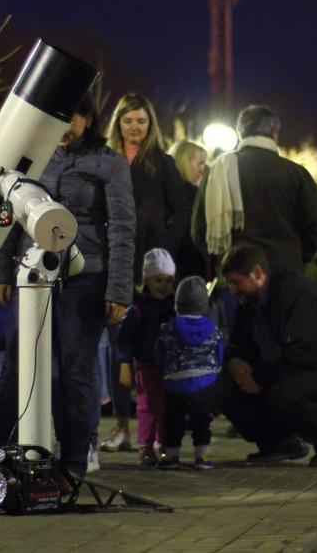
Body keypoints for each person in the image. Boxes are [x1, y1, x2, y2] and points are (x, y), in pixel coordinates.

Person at [0, 93, 136, 480]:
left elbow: (122, 229)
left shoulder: (109, 162)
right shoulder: (33, 155)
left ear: (88, 118)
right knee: (15, 368)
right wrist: (1, 271)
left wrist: (118, 290)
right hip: (32, 274)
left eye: (73, 118)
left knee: (75, 372)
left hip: (85, 278)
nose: (65, 127)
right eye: (59, 118)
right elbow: (11, 214)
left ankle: (72, 467)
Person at [216, 245, 317, 467]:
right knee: (222, 386)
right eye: (229, 283)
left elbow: (308, 350)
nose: (232, 291)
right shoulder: (249, 300)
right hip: (287, 365)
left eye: (236, 282)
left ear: (257, 273)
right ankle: (279, 443)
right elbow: (238, 339)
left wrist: (259, 377)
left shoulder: (294, 292)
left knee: (285, 394)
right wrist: (235, 361)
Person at [102, 93, 191, 453]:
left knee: (152, 347)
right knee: (118, 345)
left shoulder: (161, 162)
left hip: (152, 265)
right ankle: (122, 425)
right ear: (118, 123)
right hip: (115, 259)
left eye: (141, 120)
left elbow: (182, 208)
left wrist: (166, 242)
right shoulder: (106, 158)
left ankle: (156, 427)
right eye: (128, 120)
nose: (135, 127)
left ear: (150, 124)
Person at [192, 105, 317, 276]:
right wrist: (300, 259)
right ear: (275, 134)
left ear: (240, 133)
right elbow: (315, 227)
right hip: (286, 270)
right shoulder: (297, 173)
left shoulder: (219, 171)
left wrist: (220, 262)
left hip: (237, 272)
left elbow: (199, 229)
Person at [154, 276, 223, 471]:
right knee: (202, 421)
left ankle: (171, 456)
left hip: (175, 383)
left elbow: (159, 352)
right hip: (204, 383)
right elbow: (219, 353)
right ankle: (202, 457)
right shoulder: (213, 330)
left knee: (173, 422)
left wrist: (165, 369)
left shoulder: (168, 329)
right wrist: (214, 370)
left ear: (178, 305)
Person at [117, 248, 177, 465]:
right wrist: (125, 363)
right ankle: (146, 446)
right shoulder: (138, 308)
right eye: (158, 280)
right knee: (148, 405)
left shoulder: (174, 306)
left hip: (168, 365)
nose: (164, 285)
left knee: (166, 406)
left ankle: (164, 445)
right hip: (145, 364)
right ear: (147, 281)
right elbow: (125, 338)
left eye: (169, 280)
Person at [168, 140, 210, 280]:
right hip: (189, 268)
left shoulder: (161, 191)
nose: (203, 169)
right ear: (185, 162)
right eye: (200, 163)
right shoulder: (191, 194)